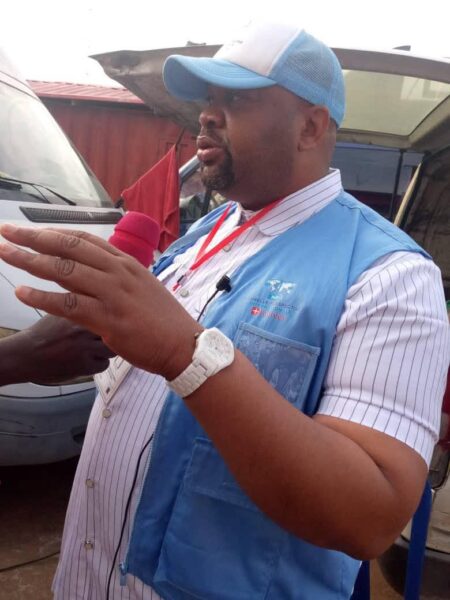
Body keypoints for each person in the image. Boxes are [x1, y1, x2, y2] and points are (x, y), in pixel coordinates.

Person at [0, 20, 448, 600]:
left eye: (235, 99)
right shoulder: (207, 232)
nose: (207, 116)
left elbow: (372, 516)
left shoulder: (390, 276)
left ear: (310, 127)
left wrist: (184, 352)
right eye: (208, 100)